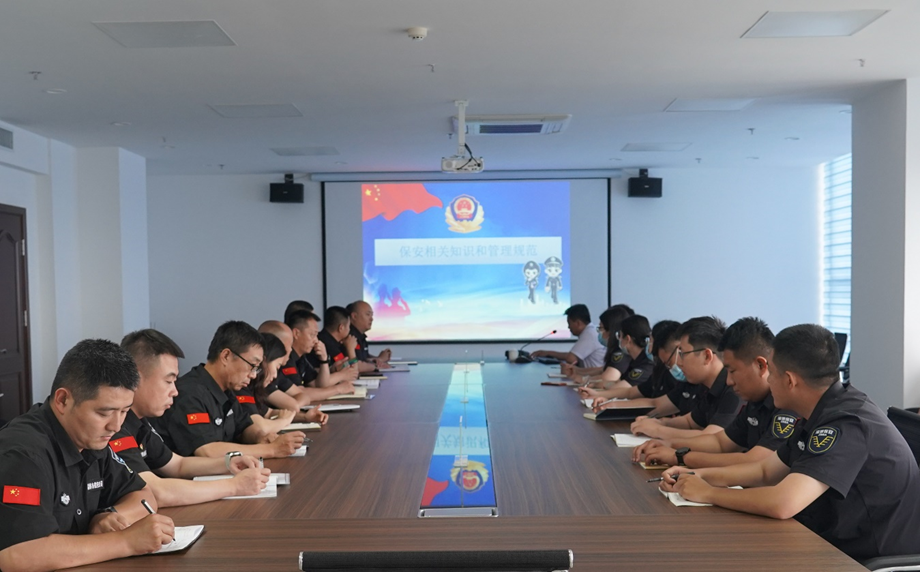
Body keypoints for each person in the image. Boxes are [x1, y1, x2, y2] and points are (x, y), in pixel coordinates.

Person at [660, 324, 920, 561]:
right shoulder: (821, 410)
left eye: (771, 374)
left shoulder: (847, 423)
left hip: (864, 559)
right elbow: (765, 470)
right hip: (829, 539)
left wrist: (708, 493)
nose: (768, 380)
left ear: (789, 380)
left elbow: (783, 503)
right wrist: (698, 475)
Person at [0, 339, 174, 571]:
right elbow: (18, 555)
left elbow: (143, 495)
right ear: (63, 400)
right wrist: (125, 541)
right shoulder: (23, 454)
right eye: (104, 413)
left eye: (124, 411)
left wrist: (108, 516)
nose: (115, 426)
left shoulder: (92, 439)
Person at [115, 329, 272, 506]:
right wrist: (234, 486)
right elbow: (156, 492)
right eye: (168, 381)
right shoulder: (114, 426)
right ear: (135, 379)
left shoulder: (140, 422)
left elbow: (178, 465)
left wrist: (229, 463)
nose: (174, 391)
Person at [633, 318, 799, 468]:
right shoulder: (755, 401)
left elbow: (756, 462)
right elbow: (720, 442)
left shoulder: (787, 405)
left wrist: (679, 456)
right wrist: (670, 444)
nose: (729, 381)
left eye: (732, 371)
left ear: (761, 366)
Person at [149, 321, 306, 459]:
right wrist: (270, 450)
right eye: (252, 365)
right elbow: (207, 450)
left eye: (257, 368)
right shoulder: (189, 393)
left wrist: (262, 437)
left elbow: (244, 428)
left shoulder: (226, 390)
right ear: (226, 356)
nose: (253, 375)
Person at [630, 316, 742, 439]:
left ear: (707, 356)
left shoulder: (734, 388)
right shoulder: (707, 385)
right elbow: (689, 422)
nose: (679, 363)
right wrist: (659, 422)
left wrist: (657, 430)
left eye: (683, 354)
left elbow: (711, 438)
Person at [235, 332, 329, 434]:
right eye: (277, 367)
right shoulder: (241, 386)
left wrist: (305, 417)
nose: (275, 375)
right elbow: (260, 427)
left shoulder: (255, 387)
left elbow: (269, 413)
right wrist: (284, 421)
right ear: (264, 361)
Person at [580, 320, 682, 406]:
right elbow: (632, 392)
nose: (648, 345)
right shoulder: (659, 368)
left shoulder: (650, 365)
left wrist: (612, 402)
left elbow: (656, 404)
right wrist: (598, 395)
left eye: (650, 341)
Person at [279, 310, 357, 398]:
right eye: (312, 335)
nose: (316, 340)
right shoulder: (286, 357)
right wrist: (338, 388)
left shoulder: (301, 357)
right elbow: (299, 393)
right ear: (296, 333)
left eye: (316, 335)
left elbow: (318, 384)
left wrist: (324, 360)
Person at [562, 304, 634, 383]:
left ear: (611, 330)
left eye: (601, 328)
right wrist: (576, 371)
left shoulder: (621, 352)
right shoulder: (615, 350)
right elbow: (602, 370)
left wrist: (583, 379)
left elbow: (608, 378)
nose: (599, 333)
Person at [531, 304, 605, 367]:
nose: (568, 327)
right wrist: (548, 353)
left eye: (569, 323)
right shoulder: (592, 330)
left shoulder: (589, 334)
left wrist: (548, 353)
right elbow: (574, 355)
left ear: (578, 323)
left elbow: (571, 359)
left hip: (594, 377)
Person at [347, 300, 392, 372]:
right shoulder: (349, 336)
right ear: (354, 316)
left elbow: (363, 358)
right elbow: (353, 364)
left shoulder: (361, 336)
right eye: (368, 314)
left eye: (372, 315)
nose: (371, 319)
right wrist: (379, 361)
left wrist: (377, 359)